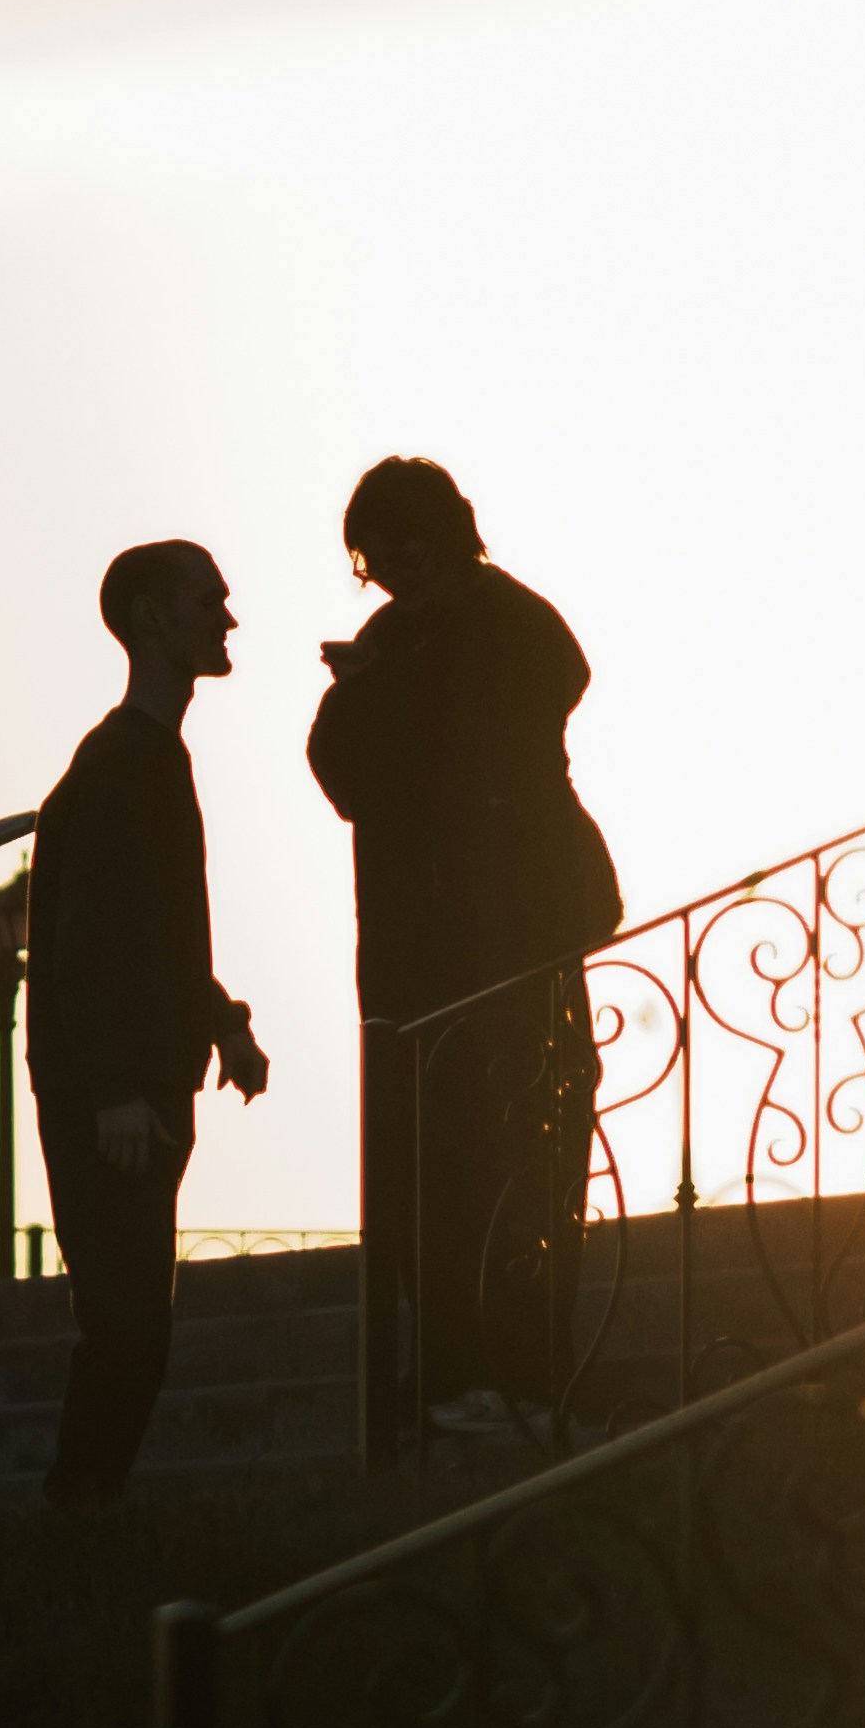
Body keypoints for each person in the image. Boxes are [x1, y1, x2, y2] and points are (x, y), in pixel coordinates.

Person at [306, 456, 621, 1448]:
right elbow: (340, 761)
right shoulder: (395, 639)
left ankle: (525, 1372)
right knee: (429, 1176)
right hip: (418, 960)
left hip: (518, 939)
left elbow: (533, 697)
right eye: (376, 554)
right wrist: (382, 686)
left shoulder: (508, 627)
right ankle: (453, 1377)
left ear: (446, 534)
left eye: (404, 545)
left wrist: (392, 687)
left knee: (525, 1161)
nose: (390, 568)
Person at [26, 537, 271, 1511]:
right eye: (209, 599)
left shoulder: (150, 758)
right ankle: (74, 1510)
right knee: (127, 1326)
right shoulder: (121, 761)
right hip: (111, 1099)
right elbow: (88, 939)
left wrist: (225, 1023)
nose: (228, 616)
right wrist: (117, 1086)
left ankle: (85, 1511)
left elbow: (159, 933)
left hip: (138, 1089)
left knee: (139, 1324)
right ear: (150, 619)